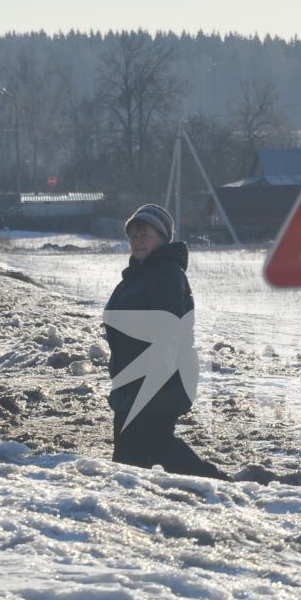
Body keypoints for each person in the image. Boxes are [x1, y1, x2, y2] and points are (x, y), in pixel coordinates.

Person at [103, 204, 225, 479]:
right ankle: (136, 503)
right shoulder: (138, 275)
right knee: (132, 454)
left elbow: (166, 328)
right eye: (133, 235)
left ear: (162, 237)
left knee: (155, 444)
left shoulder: (166, 274)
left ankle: (217, 486)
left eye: (144, 234)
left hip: (159, 379)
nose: (137, 241)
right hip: (133, 378)